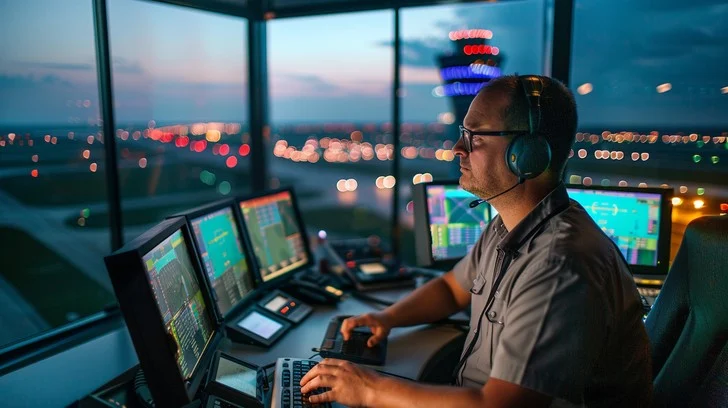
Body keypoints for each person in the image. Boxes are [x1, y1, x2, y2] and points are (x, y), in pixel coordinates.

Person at [300, 75, 652, 407]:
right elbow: (453, 288)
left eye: (475, 136)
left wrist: (370, 389)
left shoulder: (559, 264)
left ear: (527, 154)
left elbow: (501, 406)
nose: (456, 148)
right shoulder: (511, 226)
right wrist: (387, 318)